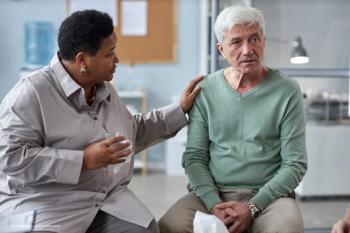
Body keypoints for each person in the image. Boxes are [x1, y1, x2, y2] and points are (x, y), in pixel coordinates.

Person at [0, 10, 202, 233]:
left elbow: (132, 132)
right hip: (44, 203)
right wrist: (83, 160)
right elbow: (10, 157)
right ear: (82, 60)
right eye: (110, 54)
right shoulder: (31, 93)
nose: (116, 60)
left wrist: (181, 109)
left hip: (102, 201)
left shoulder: (102, 89)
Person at [158, 5, 307, 233]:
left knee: (287, 228)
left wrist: (253, 207)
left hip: (270, 198)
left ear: (263, 41)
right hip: (213, 193)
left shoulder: (287, 90)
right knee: (169, 226)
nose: (247, 50)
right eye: (236, 42)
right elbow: (195, 157)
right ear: (221, 49)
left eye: (254, 39)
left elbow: (295, 163)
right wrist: (213, 203)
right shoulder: (205, 90)